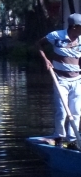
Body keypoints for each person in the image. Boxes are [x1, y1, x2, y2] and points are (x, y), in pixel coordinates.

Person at [36, 13, 81, 142]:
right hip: (60, 80)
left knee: (76, 111)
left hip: (77, 80)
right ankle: (59, 136)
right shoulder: (56, 36)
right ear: (74, 27)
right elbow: (39, 44)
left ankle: (72, 138)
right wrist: (46, 60)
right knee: (61, 110)